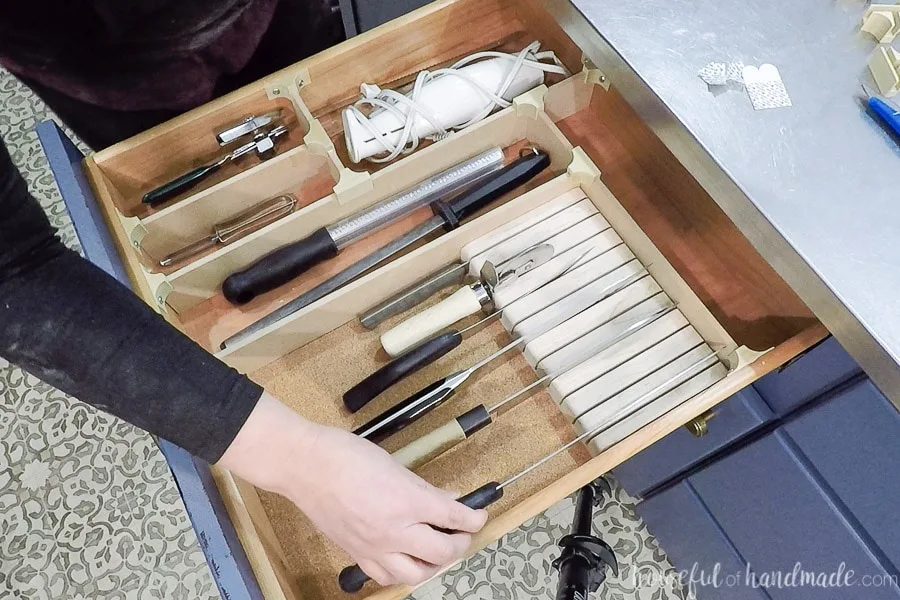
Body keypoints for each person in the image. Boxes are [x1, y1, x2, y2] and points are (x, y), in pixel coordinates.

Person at [0, 0, 486, 589]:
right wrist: (300, 462)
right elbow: (14, 273)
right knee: (167, 131)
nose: (224, 53)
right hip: (101, 80)